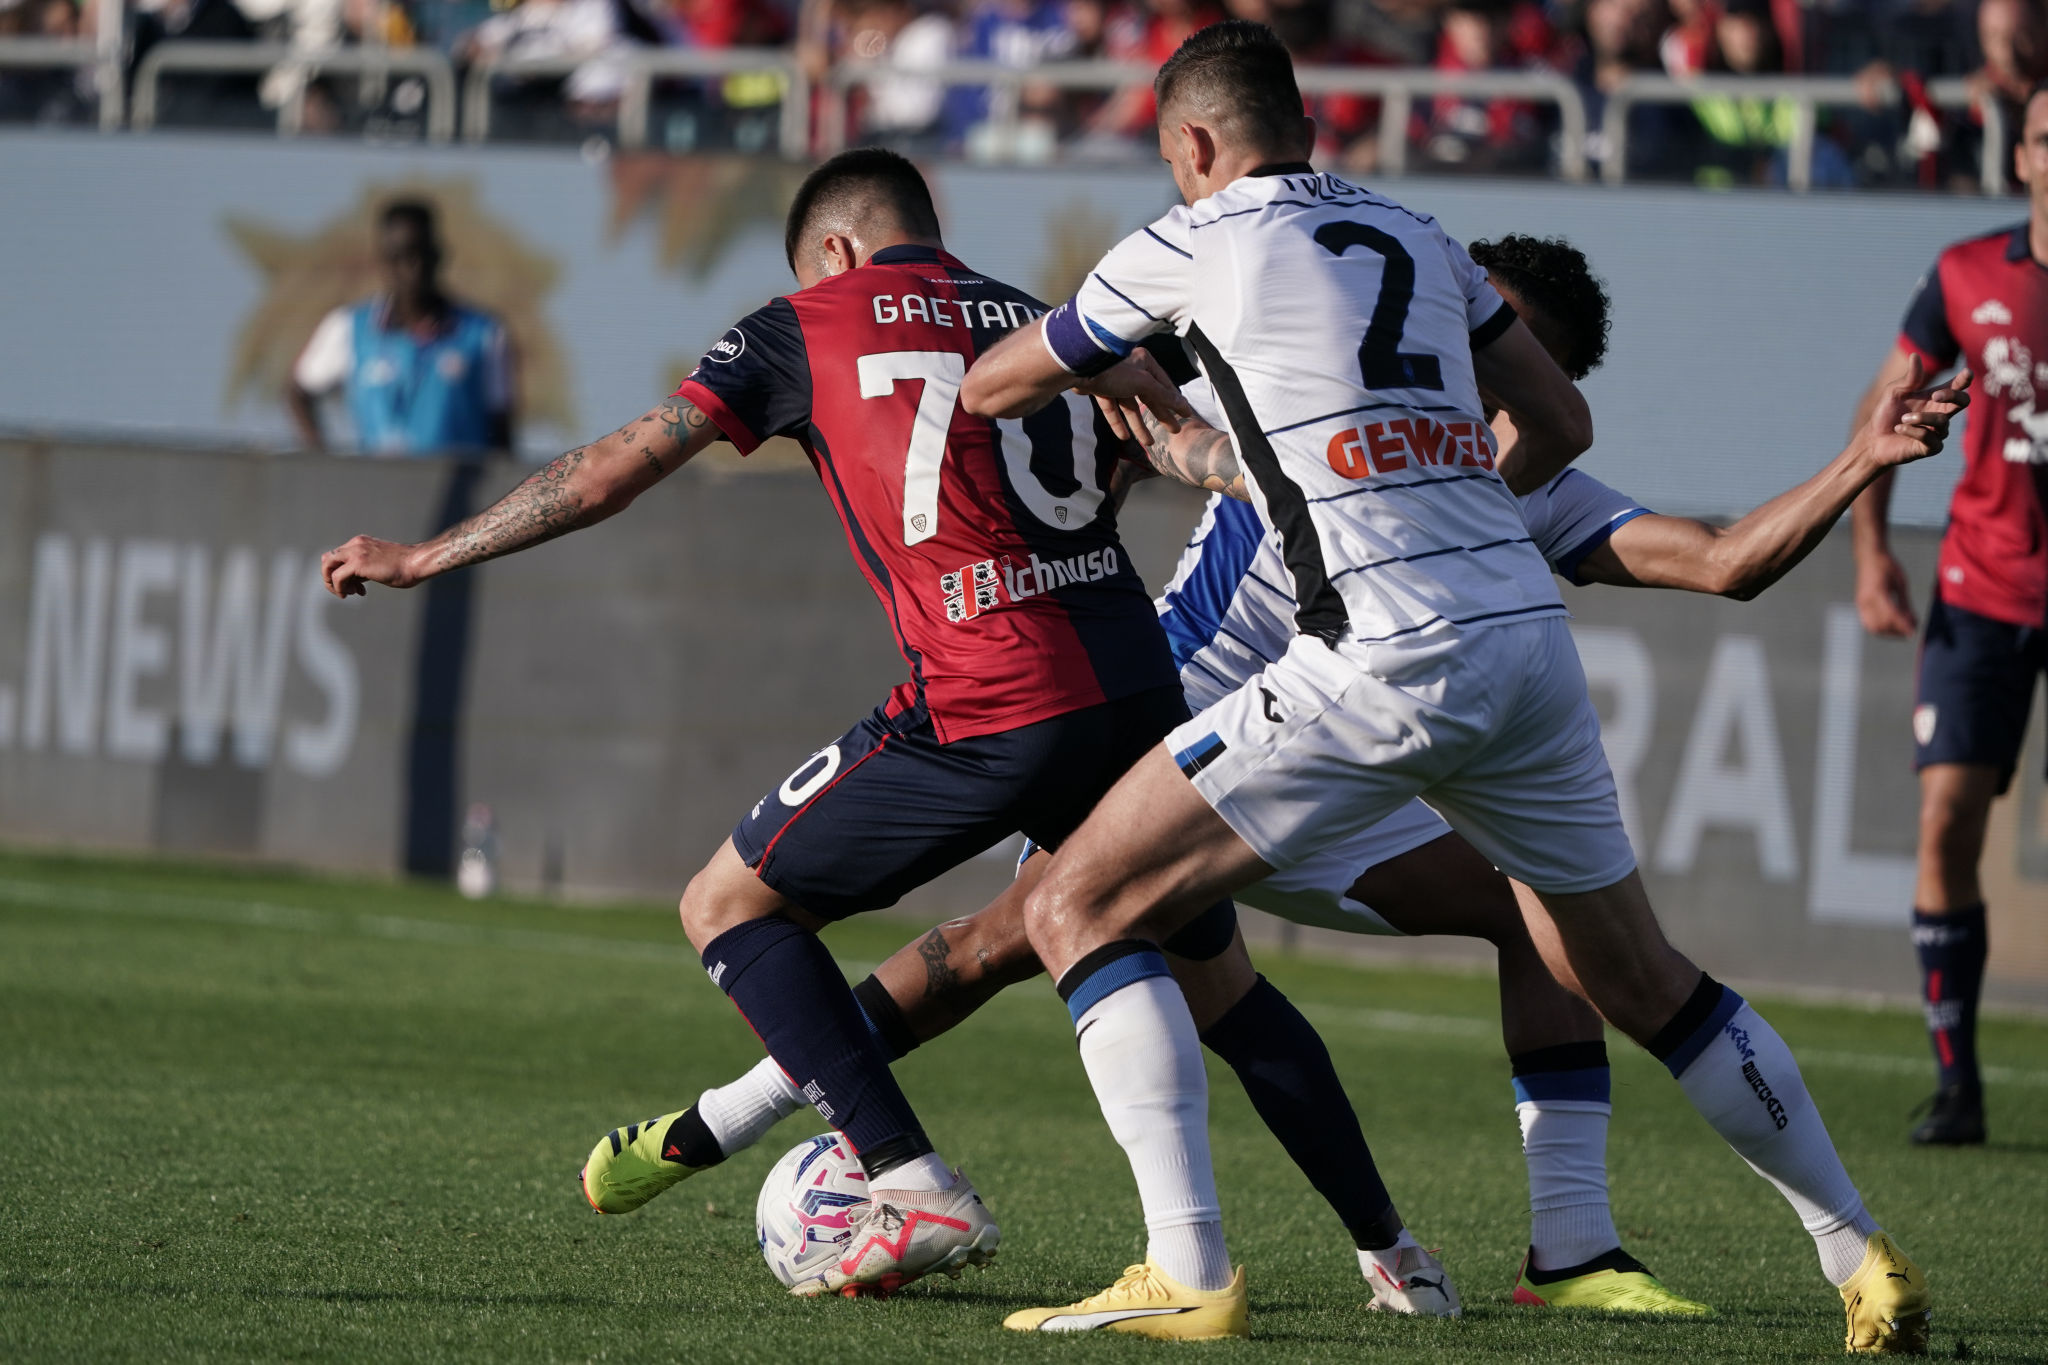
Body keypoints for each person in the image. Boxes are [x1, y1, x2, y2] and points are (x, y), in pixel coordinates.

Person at [589, 232, 1968, 1324]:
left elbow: (1722, 562)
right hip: (1193, 718)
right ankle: (726, 1123)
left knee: (1505, 911)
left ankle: (1567, 1241)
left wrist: (1859, 461)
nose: (1459, 352)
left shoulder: (1505, 481)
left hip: (1329, 741)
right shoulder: (1348, 397)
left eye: (1500, 345)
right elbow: (1105, 400)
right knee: (1012, 942)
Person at [957, 21, 1933, 1351]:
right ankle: (1856, 1250)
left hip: (1370, 652)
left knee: (1071, 900)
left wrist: (1125, 379)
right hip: (1521, 645)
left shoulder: (1195, 235)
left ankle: (1182, 1266)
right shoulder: (1421, 236)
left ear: (1191, 143)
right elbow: (1566, 427)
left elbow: (996, 382)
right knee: (1643, 976)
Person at [319, 147, 1371, 1305]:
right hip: (1128, 685)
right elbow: (1159, 451)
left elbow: (615, 467)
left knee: (726, 904)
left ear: (834, 252)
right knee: (1194, 969)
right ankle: (1386, 1258)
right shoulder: (1045, 321)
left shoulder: (801, 323)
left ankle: (906, 1176)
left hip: (983, 697)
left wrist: (427, 553)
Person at [1849, 78, 2048, 1150]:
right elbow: (1883, 405)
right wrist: (1870, 548)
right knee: (1942, 824)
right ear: (2018, 155)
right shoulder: (1968, 275)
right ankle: (1955, 1083)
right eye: (2044, 140)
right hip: (1978, 591)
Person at [287, 200, 517, 457]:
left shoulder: (483, 334)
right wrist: (322, 457)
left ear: (438, 255)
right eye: (399, 257)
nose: (411, 269)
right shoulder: (350, 329)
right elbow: (299, 389)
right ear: (382, 261)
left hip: (465, 490)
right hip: (378, 489)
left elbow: (502, 430)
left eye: (419, 254)